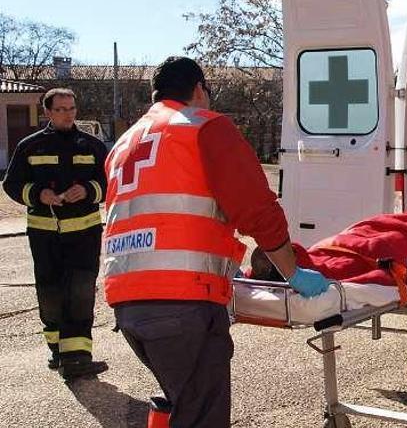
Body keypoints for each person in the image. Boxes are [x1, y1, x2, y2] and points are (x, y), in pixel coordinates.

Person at [103, 56, 329, 428]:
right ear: (198, 89)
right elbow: (257, 210)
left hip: (128, 302)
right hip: (182, 302)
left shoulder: (124, 143)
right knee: (201, 414)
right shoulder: (204, 127)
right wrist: (293, 273)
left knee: (180, 403)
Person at [2, 88, 109, 380]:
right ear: (47, 112)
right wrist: (39, 194)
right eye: (61, 109)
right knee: (50, 293)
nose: (68, 114)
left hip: (85, 234)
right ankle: (58, 352)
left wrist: (88, 190)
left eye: (72, 108)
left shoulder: (92, 145)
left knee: (81, 293)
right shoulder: (29, 146)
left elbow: (110, 181)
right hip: (44, 235)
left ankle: (78, 358)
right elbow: (11, 185)